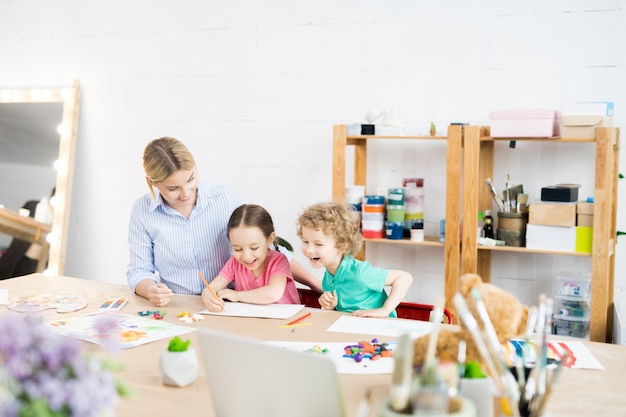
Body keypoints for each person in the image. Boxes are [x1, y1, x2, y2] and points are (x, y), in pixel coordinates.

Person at [127, 137, 320, 307]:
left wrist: (318, 286)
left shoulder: (223, 198)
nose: (186, 192)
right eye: (173, 188)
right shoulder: (143, 212)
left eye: (191, 179)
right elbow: (139, 271)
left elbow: (268, 249)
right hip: (179, 305)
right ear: (152, 182)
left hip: (229, 304)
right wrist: (151, 290)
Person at [296, 201, 413, 318]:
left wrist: (385, 310)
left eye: (319, 244)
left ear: (342, 245)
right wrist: (331, 307)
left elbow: (404, 277)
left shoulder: (360, 273)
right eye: (305, 241)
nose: (309, 250)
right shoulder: (328, 276)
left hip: (378, 330)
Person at [202, 204, 300, 312]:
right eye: (238, 249)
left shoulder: (279, 261)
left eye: (254, 248)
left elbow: (273, 294)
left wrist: (237, 296)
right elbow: (211, 288)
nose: (246, 256)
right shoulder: (234, 263)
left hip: (286, 323)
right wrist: (208, 296)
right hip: (252, 323)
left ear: (270, 239)